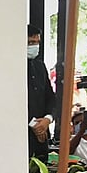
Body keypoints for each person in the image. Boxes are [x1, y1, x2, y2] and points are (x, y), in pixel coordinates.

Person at [28, 24, 56, 159]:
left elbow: (50, 97)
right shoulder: (12, 68)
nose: (35, 46)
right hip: (21, 134)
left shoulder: (40, 66)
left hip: (42, 134)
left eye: (37, 42)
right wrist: (34, 125)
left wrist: (47, 119)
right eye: (30, 43)